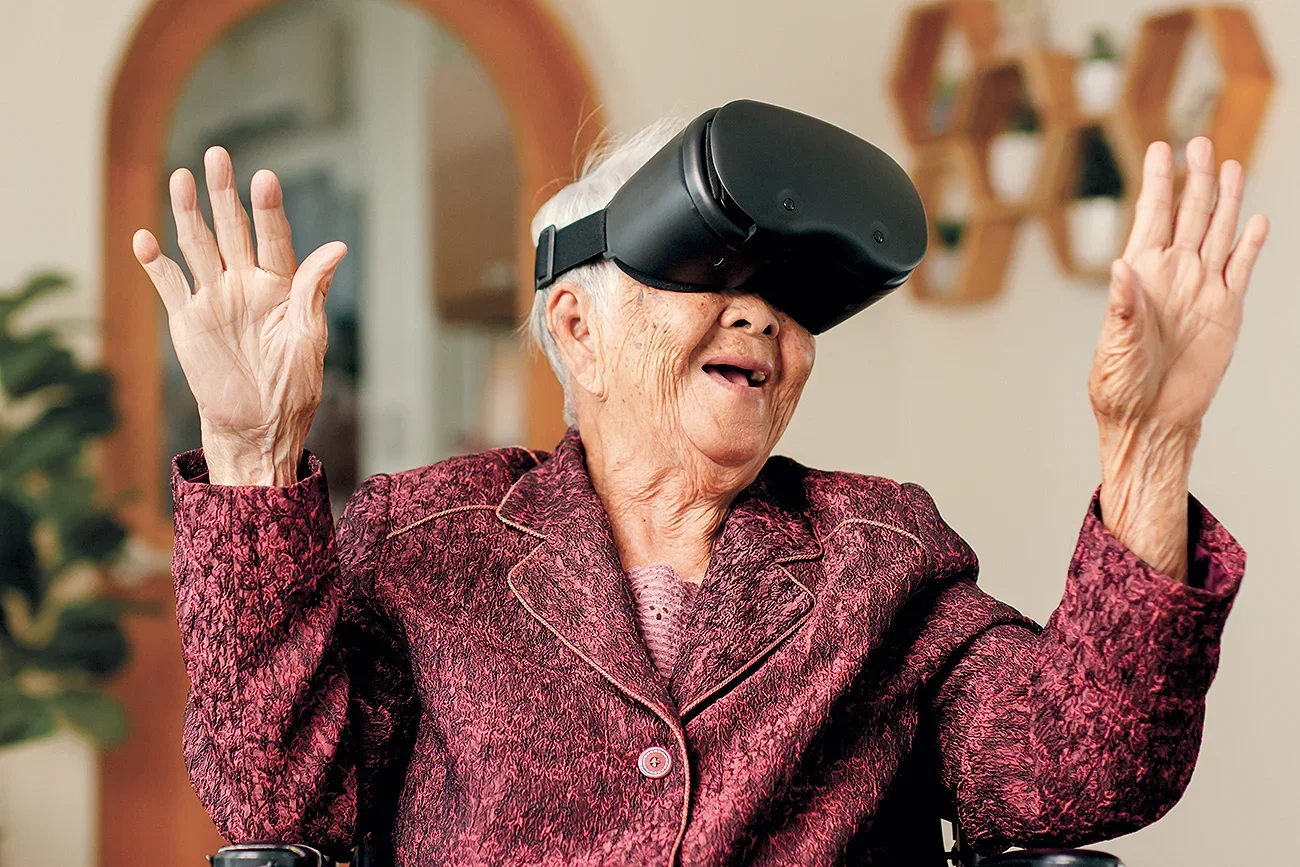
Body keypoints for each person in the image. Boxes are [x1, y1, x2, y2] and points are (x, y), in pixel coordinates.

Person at [132, 119, 1267, 866]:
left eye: (790, 298)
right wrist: (249, 449)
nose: (761, 315)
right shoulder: (427, 537)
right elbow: (277, 808)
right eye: (708, 274)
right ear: (574, 325)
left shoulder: (881, 549)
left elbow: (1078, 777)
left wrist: (1149, 445)